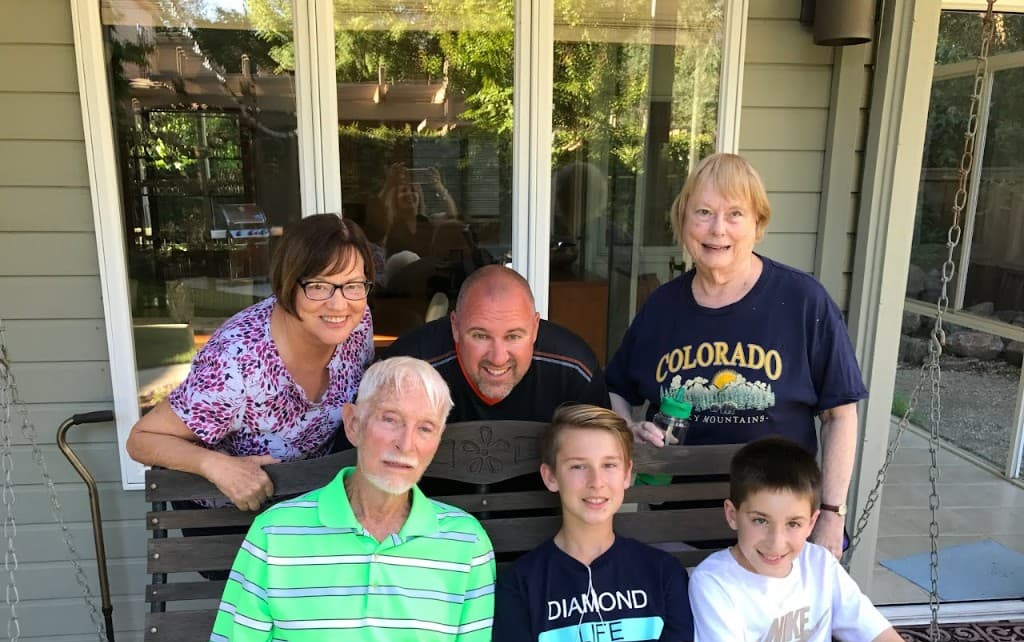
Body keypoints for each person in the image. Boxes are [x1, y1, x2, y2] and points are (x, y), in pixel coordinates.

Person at [205, 357, 499, 642]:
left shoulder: (465, 543)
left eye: (425, 428)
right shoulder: (275, 535)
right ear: (354, 424)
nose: (406, 444)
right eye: (390, 419)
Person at [605, 153, 867, 558]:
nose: (717, 229)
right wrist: (627, 432)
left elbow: (840, 415)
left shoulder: (803, 301)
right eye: (703, 213)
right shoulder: (661, 307)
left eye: (735, 214)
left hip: (778, 537)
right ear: (682, 221)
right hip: (676, 527)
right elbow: (616, 388)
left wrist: (832, 514)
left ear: (757, 224)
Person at [491, 404, 713, 642]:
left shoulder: (661, 571)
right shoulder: (521, 583)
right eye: (578, 466)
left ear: (627, 474)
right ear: (550, 477)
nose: (596, 481)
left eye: (609, 465)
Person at [688, 437, 922, 642]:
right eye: (760, 520)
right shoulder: (714, 582)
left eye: (793, 524)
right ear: (732, 514)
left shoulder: (820, 567)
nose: (776, 542)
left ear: (812, 522)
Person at [126, 213, 376, 512]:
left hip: (305, 500)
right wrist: (216, 465)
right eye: (319, 286)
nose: (339, 304)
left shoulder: (356, 324)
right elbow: (141, 439)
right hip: (227, 513)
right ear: (287, 284)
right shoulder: (237, 360)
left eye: (353, 284)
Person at [383, 265, 610, 422]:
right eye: (480, 336)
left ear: (535, 328)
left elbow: (601, 462)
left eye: (513, 336)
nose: (498, 358)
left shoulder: (575, 371)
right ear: (455, 327)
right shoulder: (405, 370)